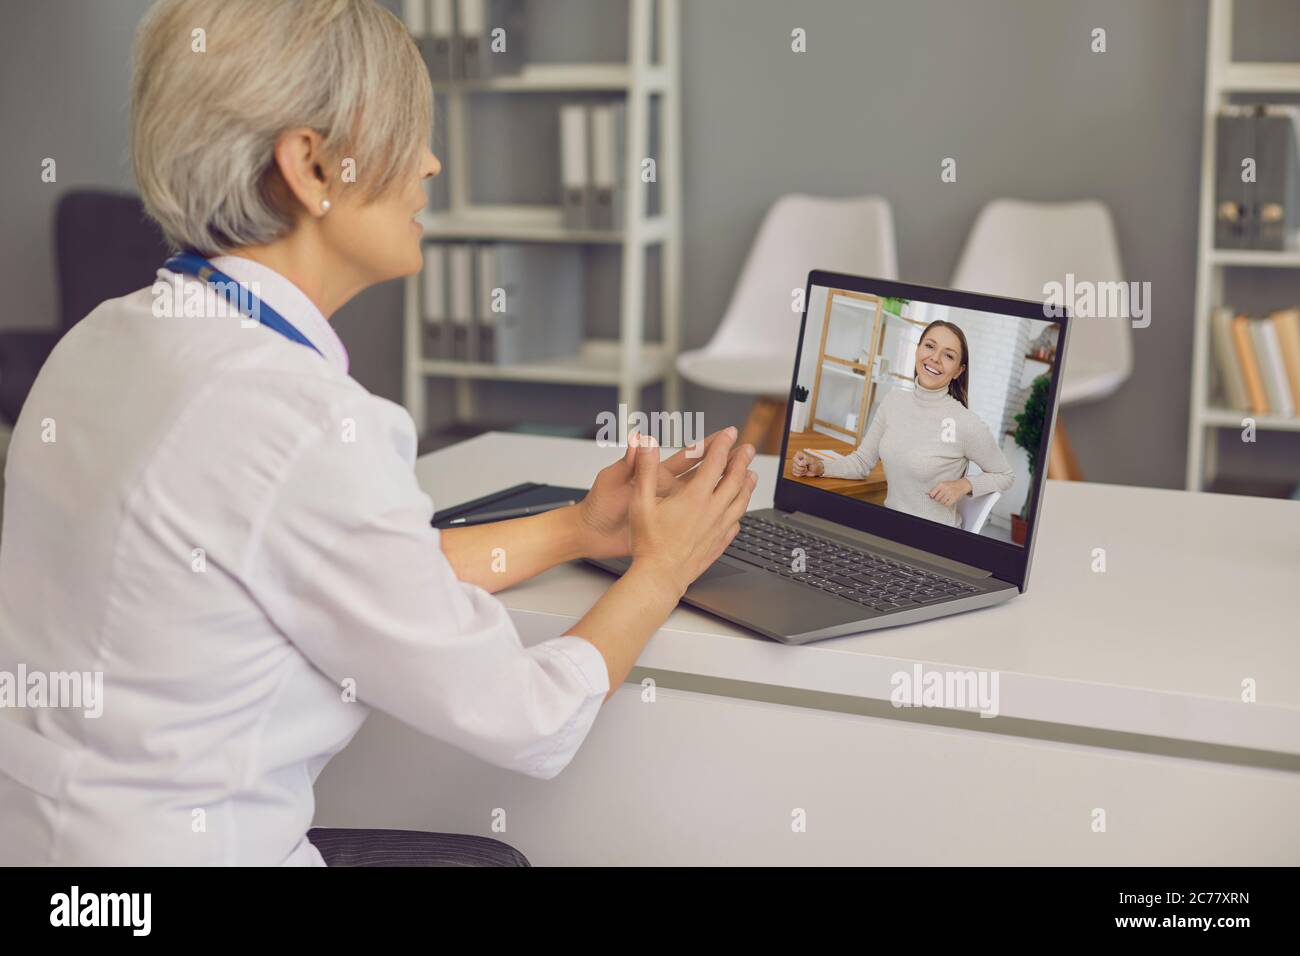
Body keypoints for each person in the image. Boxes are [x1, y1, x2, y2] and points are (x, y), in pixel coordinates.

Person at [0, 0, 755, 866]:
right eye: (409, 133)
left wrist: (580, 526)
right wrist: (664, 568)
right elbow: (529, 719)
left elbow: (345, 566)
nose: (431, 162)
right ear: (312, 166)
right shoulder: (305, 422)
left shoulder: (99, 340)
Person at [792, 320, 1013, 528]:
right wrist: (820, 467)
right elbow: (861, 463)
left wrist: (964, 484)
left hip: (934, 542)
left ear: (958, 371)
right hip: (889, 527)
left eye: (948, 355)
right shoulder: (893, 401)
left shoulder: (966, 423)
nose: (935, 358)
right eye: (929, 346)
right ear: (917, 350)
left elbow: (1005, 475)